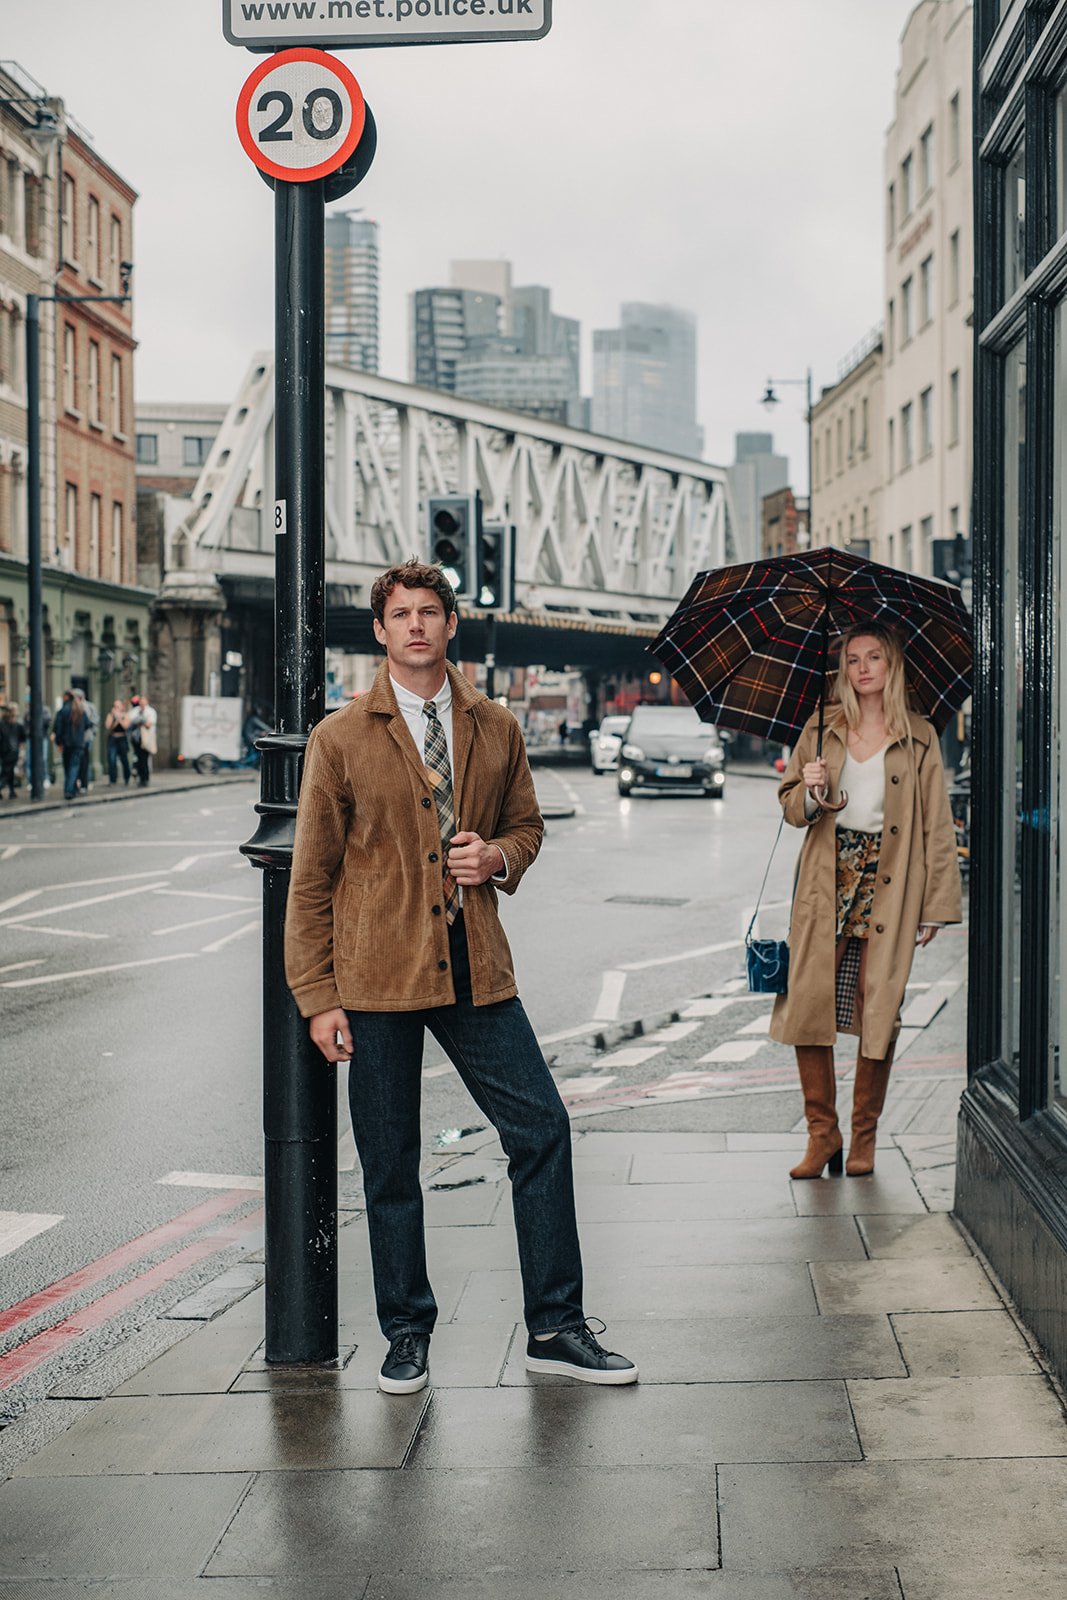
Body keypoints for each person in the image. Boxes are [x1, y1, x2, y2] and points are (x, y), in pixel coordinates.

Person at [285, 559, 637, 1395]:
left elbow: (526, 825)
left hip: (476, 965)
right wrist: (317, 997)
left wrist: (498, 856)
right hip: (374, 978)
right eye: (399, 613)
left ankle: (555, 1326)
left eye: (428, 612)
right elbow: (310, 879)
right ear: (379, 630)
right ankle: (406, 1334)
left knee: (541, 1128)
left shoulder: (495, 726)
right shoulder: (339, 737)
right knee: (389, 1162)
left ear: (450, 626)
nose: (414, 625)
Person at [769, 624, 961, 1178]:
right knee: (810, 1005)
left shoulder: (920, 735)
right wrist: (809, 788)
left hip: (891, 880)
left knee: (879, 1009)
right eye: (853, 659)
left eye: (874, 657)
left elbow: (938, 828)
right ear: (843, 669)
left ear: (892, 664)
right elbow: (789, 806)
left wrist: (936, 905)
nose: (863, 667)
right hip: (828, 877)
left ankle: (864, 1140)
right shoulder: (821, 727)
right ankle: (822, 1134)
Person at [52, 689, 88, 801]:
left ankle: (69, 789)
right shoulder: (80, 710)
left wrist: (59, 742)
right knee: (74, 766)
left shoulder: (63, 711)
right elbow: (88, 724)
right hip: (77, 743)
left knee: (68, 766)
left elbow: (58, 728)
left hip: (66, 743)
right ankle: (71, 789)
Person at [127, 692, 157, 786]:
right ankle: (140, 777)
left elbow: (149, 724)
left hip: (146, 739)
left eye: (143, 701)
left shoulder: (150, 711)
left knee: (144, 758)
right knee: (138, 758)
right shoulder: (135, 711)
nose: (142, 703)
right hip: (136, 738)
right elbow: (129, 721)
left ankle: (145, 778)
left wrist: (140, 721)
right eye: (140, 701)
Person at [0, 702, 24, 798]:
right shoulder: (12, 725)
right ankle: (9, 790)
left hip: (8, 751)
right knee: (7, 772)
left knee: (8, 771)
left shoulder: (16, 725)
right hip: (10, 751)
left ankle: (12, 791)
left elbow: (22, 738)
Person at [105, 699, 131, 785]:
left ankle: (127, 777)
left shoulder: (125, 715)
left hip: (122, 738)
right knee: (112, 759)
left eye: (118, 706)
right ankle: (112, 779)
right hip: (113, 739)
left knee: (124, 759)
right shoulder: (110, 716)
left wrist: (120, 719)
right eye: (114, 706)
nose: (116, 708)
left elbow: (126, 727)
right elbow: (108, 726)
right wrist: (115, 719)